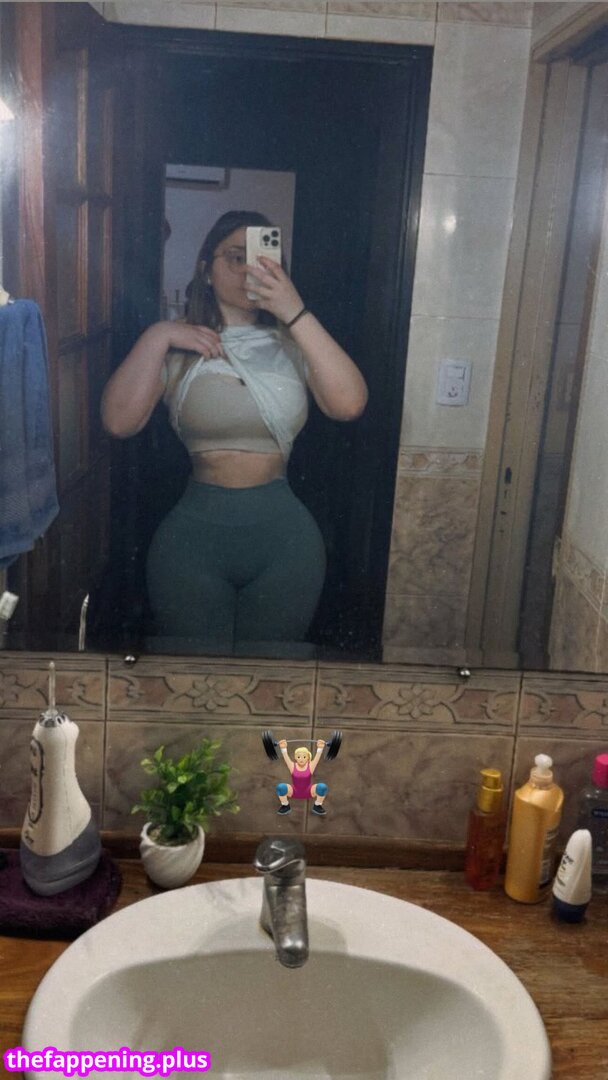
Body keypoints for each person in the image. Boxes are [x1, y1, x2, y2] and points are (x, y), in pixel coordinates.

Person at [101, 210, 368, 655]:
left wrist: (294, 311)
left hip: (285, 543)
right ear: (206, 269)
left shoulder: (294, 345)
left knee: (270, 681)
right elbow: (118, 421)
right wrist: (158, 335)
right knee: (193, 682)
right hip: (192, 543)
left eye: (261, 260)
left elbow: (350, 404)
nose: (247, 270)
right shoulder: (180, 344)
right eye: (234, 257)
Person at [276, 739, 328, 815]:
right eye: (299, 757)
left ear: (308, 758)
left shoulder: (311, 766)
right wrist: (283, 748)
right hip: (294, 792)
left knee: (322, 787)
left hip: (309, 792)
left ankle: (317, 805)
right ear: (295, 758)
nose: (301, 759)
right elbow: (286, 757)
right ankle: (285, 805)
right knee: (281, 787)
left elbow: (317, 757)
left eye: (304, 757)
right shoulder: (292, 766)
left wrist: (320, 748)